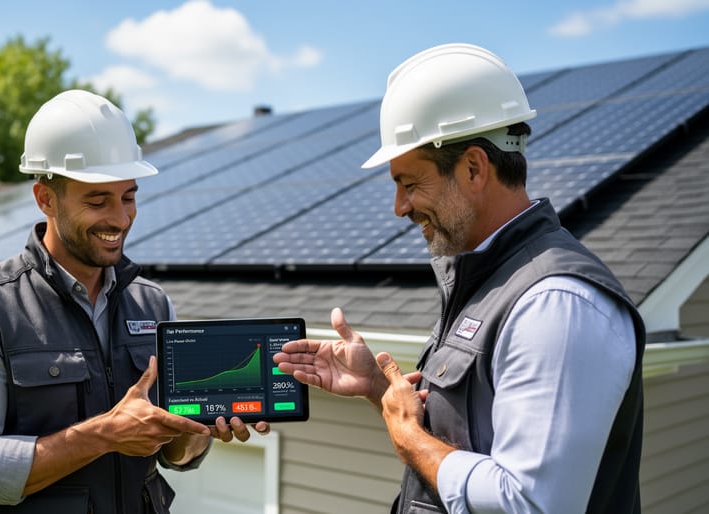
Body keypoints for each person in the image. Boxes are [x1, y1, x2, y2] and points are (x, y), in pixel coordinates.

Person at [274, 43, 645, 513]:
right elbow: (473, 439)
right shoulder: (488, 279)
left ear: (473, 168)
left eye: (410, 184)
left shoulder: (557, 303)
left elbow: (530, 502)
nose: (400, 207)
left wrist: (408, 438)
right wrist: (381, 391)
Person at [0, 89, 268, 514]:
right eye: (97, 200)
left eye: (128, 196)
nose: (120, 219)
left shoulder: (152, 305)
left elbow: (173, 456)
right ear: (45, 199)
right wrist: (105, 434)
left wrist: (196, 431)